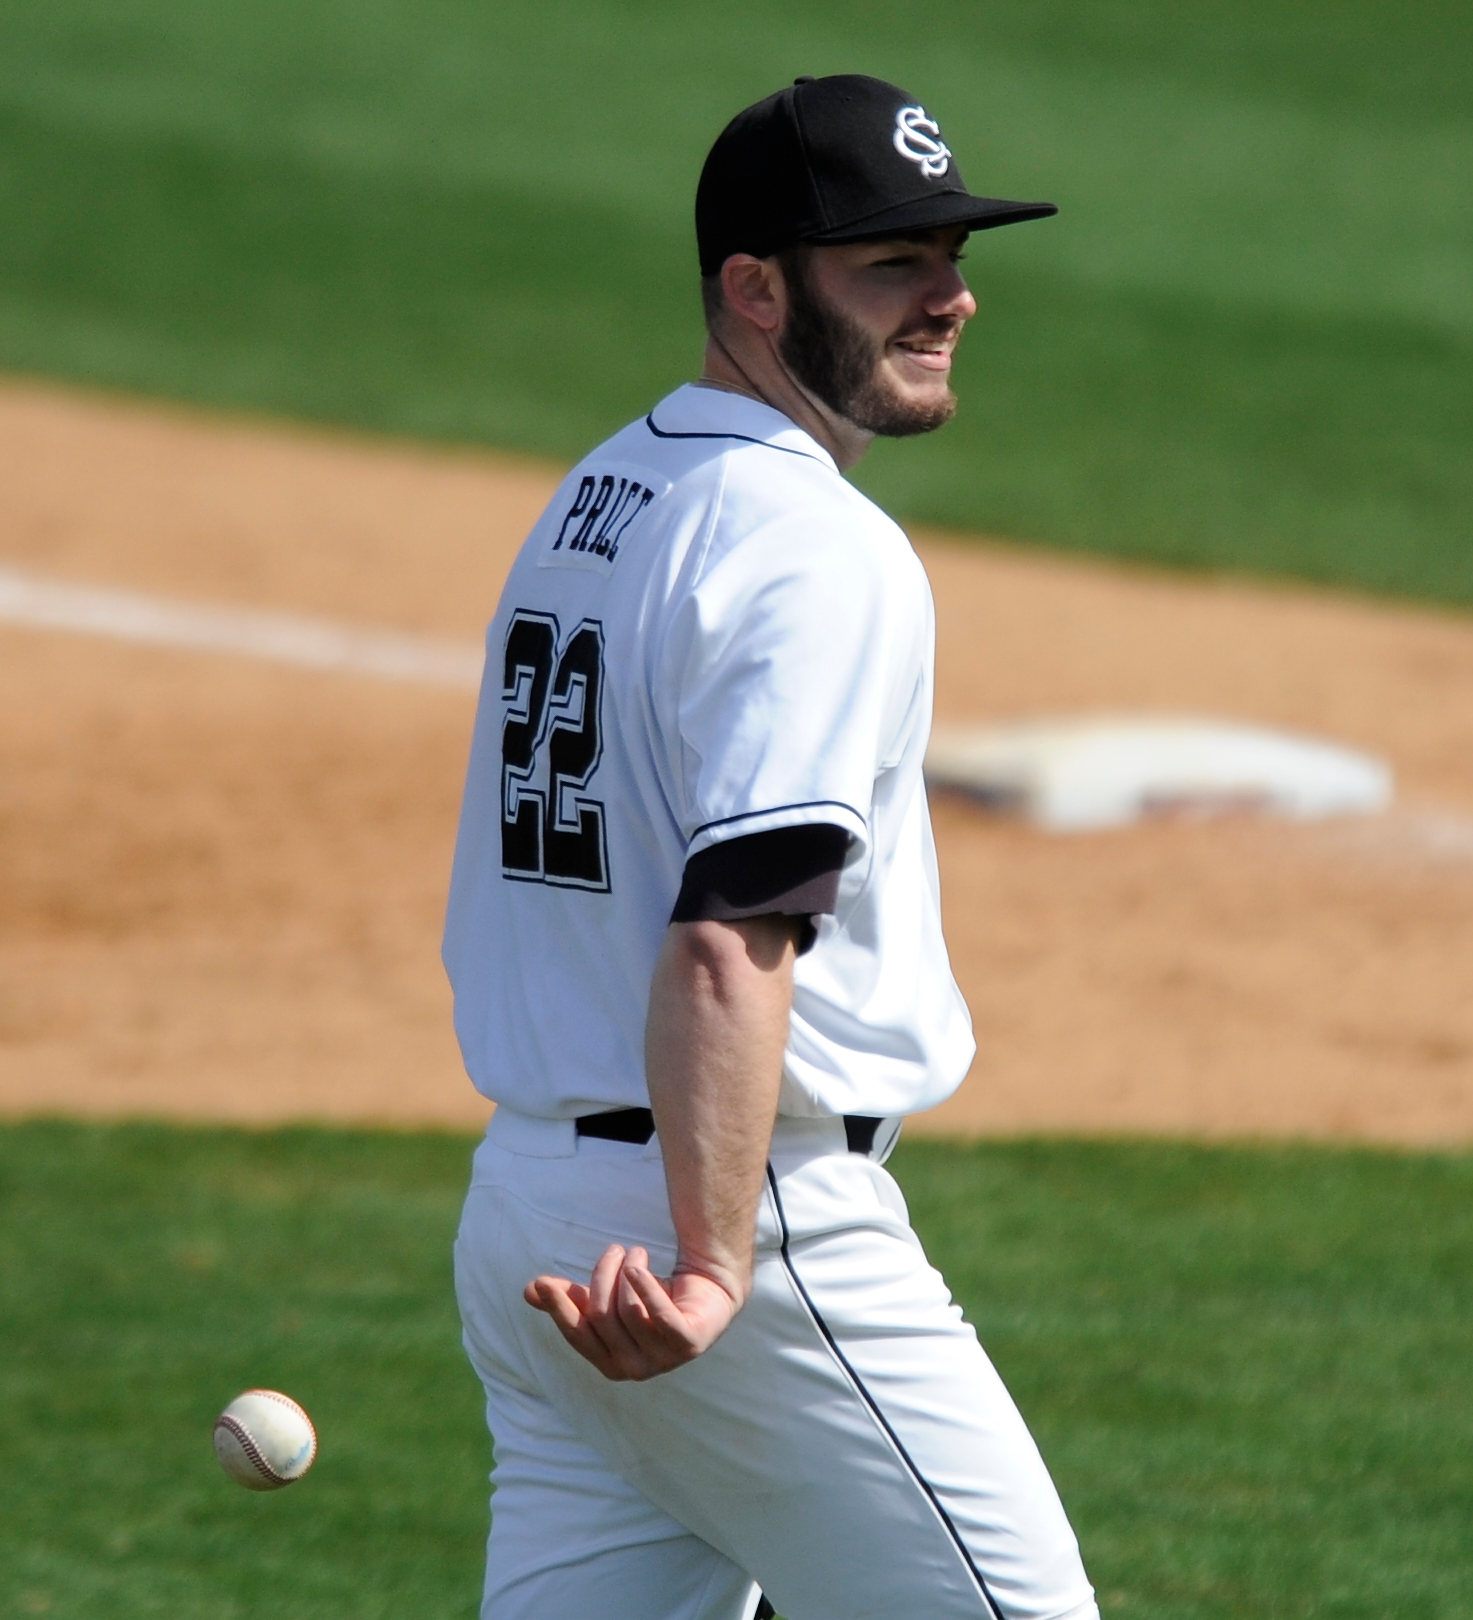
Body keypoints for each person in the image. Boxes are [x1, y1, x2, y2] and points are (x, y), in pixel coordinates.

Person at [445, 73, 1099, 1620]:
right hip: (730, 1222)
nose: (952, 297)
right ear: (753, 289)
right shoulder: (815, 548)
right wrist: (716, 1264)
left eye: (947, 254)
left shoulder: (606, 490)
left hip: (534, 1216)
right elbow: (735, 928)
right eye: (891, 265)